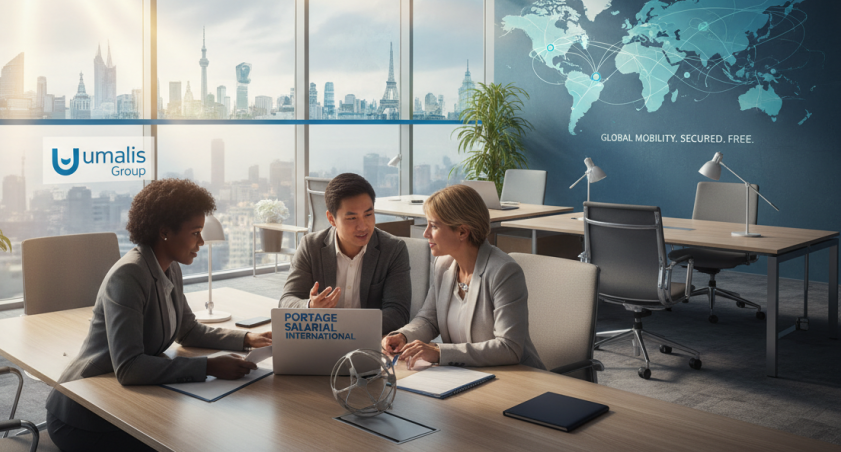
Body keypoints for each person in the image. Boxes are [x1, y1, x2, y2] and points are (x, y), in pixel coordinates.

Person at [45, 179, 272, 452]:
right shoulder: (128, 275)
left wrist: (248, 338)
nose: (201, 241)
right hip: (84, 413)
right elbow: (129, 367)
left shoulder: (170, 267)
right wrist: (209, 367)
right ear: (164, 232)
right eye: (195, 232)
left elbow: (187, 330)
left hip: (123, 401)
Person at [381, 184, 544, 370]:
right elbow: (428, 319)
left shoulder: (504, 272)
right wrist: (403, 336)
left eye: (433, 226)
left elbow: (509, 347)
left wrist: (440, 352)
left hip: (518, 376)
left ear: (462, 232)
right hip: (466, 375)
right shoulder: (443, 265)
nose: (426, 233)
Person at [280, 173, 411, 334]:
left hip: (368, 342)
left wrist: (343, 329)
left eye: (368, 215)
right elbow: (287, 301)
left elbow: (398, 313)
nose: (363, 226)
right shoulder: (310, 246)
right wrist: (310, 307)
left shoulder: (393, 249)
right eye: (352, 218)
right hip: (321, 340)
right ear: (332, 219)